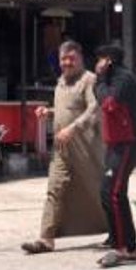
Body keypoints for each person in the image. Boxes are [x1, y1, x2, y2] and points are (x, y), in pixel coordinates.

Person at [21, 40, 107, 254]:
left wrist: (73, 129)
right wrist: (48, 112)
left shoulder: (89, 80)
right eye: (63, 59)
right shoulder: (61, 82)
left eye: (72, 58)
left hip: (85, 149)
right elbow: (66, 109)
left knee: (96, 190)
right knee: (54, 189)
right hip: (62, 149)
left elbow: (95, 109)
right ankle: (46, 239)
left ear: (80, 59)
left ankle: (116, 230)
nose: (67, 63)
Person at [94, 43, 136, 268]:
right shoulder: (110, 79)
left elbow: (108, 103)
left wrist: (100, 79)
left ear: (108, 61)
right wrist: (101, 80)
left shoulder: (122, 79)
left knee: (112, 193)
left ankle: (123, 248)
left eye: (100, 59)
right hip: (115, 143)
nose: (96, 64)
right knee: (110, 192)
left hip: (127, 143)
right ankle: (124, 243)